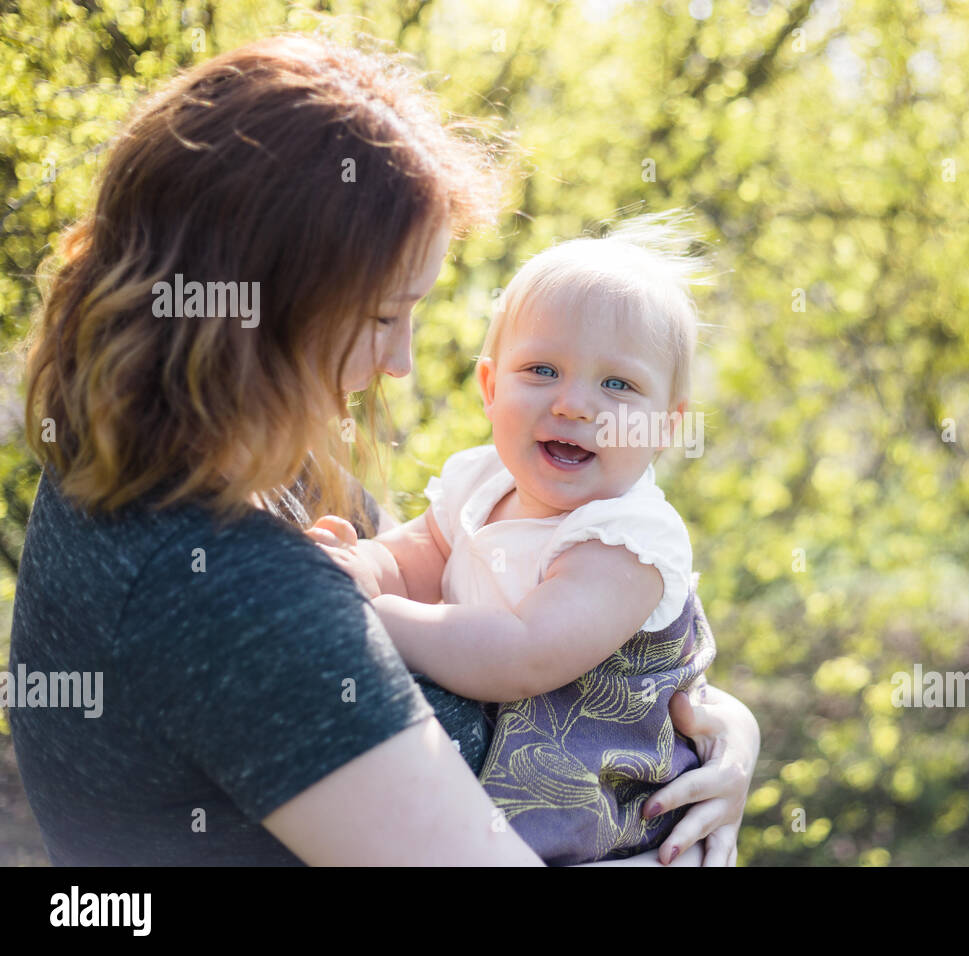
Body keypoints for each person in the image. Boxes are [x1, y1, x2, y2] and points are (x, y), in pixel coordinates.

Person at [6, 33, 758, 866]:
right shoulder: (224, 591)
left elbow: (496, 604)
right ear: (253, 306)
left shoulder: (254, 457)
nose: (399, 361)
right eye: (378, 317)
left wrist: (716, 725)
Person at [305, 214, 716, 864]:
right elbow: (415, 557)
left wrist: (369, 613)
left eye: (618, 385)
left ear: (668, 426)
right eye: (542, 370)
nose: (575, 404)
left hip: (602, 833)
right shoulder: (482, 480)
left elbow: (523, 656)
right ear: (491, 389)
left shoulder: (627, 541)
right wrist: (358, 568)